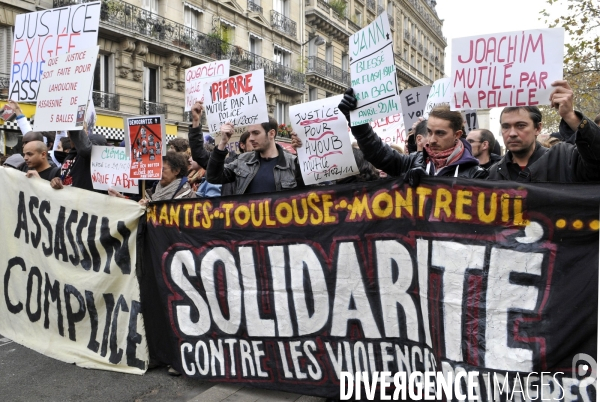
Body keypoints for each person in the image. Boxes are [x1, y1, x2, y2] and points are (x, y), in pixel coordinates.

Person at [338, 88, 487, 185]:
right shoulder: (414, 161)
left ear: (457, 135)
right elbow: (378, 152)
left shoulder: (475, 175)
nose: (432, 139)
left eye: (440, 133)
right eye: (429, 132)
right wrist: (358, 123)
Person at [488, 80, 600, 182]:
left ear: (538, 128)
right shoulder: (493, 174)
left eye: (521, 125)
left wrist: (570, 116)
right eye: (506, 127)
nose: (512, 133)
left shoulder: (564, 159)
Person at [206, 117, 304, 194]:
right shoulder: (243, 160)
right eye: (250, 133)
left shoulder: (292, 163)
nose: (251, 138)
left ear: (271, 133)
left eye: (256, 133)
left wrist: (303, 157)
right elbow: (213, 177)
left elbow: (312, 192)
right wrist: (223, 143)